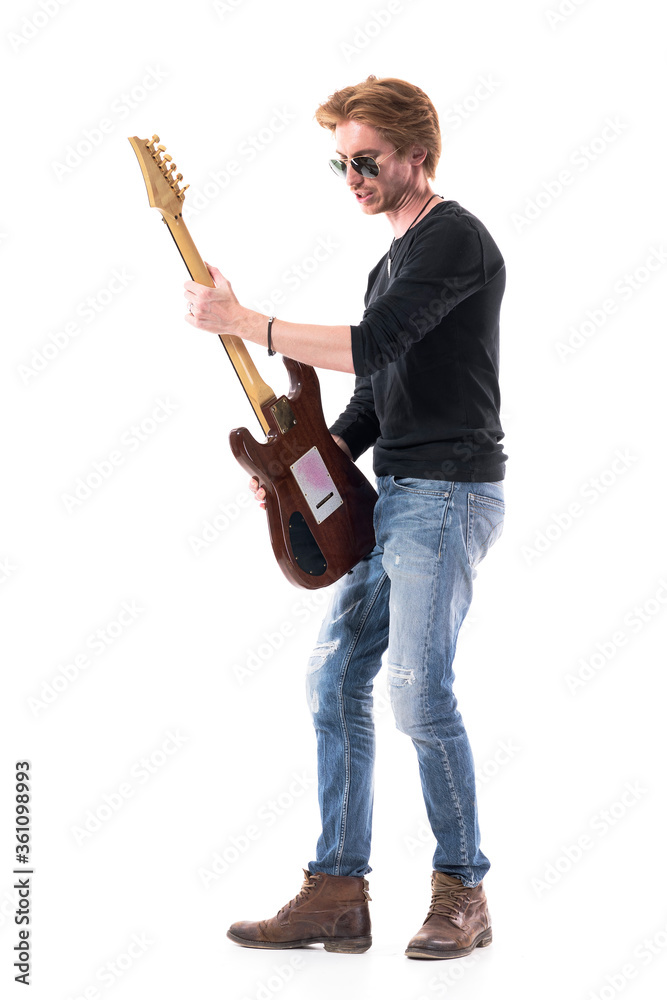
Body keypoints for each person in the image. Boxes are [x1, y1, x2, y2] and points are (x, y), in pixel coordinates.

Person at [184, 75, 507, 960]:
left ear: (417, 156)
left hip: (446, 493)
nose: (353, 176)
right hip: (394, 495)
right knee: (333, 680)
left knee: (415, 691)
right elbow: (370, 398)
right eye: (342, 165)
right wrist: (298, 473)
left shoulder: (454, 240)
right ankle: (336, 892)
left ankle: (463, 893)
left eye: (365, 161)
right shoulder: (389, 258)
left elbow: (372, 346)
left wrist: (247, 321)